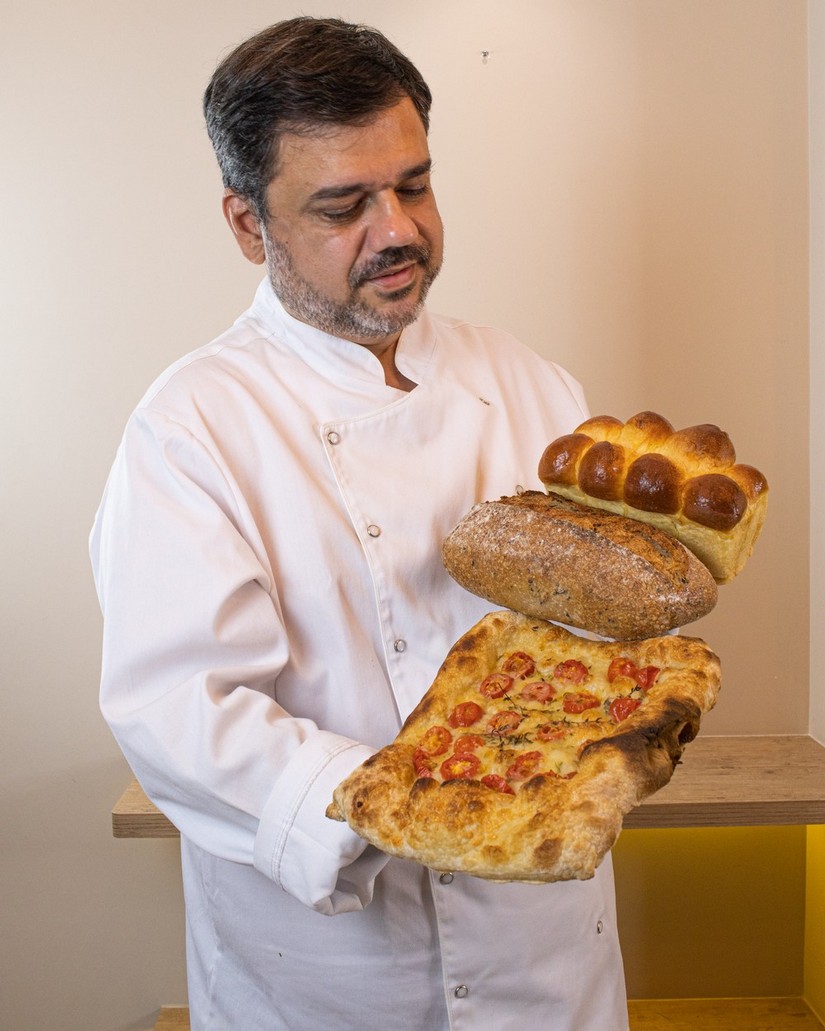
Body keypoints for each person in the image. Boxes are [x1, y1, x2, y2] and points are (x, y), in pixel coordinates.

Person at [91, 16, 629, 1031]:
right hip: (328, 978)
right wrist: (407, 802)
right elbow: (177, 710)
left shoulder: (531, 384)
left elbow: (597, 646)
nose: (397, 231)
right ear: (247, 224)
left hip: (546, 965)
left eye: (413, 186)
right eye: (344, 206)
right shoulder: (192, 427)